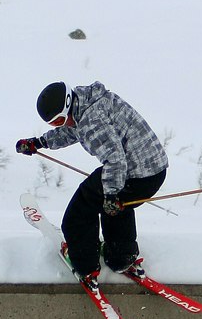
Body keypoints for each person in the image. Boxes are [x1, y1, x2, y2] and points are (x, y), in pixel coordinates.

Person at [16, 81, 168, 284]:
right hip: (153, 170)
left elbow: (115, 160)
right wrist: (40, 142)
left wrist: (111, 194)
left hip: (135, 174)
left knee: (79, 213)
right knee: (114, 207)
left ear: (68, 104)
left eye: (60, 119)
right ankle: (121, 256)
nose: (61, 124)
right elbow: (73, 130)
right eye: (55, 123)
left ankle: (85, 264)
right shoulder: (88, 102)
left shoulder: (91, 121)